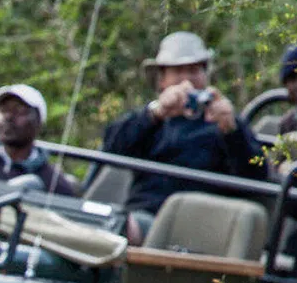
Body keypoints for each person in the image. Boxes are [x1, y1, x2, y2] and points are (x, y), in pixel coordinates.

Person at [102, 32, 265, 245]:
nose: (187, 80)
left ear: (205, 76)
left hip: (197, 223)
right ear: (162, 80)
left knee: (122, 228)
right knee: (107, 223)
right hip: (145, 213)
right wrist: (156, 113)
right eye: (178, 72)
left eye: (194, 71)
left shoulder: (224, 123)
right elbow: (111, 148)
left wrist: (231, 131)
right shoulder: (149, 121)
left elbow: (256, 176)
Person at [0, 84, 77, 195]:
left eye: (19, 111)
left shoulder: (53, 183)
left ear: (39, 122)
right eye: (3, 110)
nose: (8, 117)